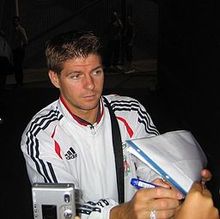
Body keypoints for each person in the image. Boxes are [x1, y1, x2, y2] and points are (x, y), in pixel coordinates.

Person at [20, 30, 211, 219]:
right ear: (55, 78)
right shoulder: (41, 134)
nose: (90, 85)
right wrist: (120, 213)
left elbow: (153, 163)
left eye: (96, 72)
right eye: (76, 76)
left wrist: (173, 184)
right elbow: (63, 209)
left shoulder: (130, 111)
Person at [11, 16, 28, 87]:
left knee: (18, 66)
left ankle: (20, 82)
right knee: (16, 66)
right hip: (15, 49)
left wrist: (22, 47)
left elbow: (25, 40)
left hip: (19, 50)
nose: (15, 22)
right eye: (14, 21)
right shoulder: (14, 30)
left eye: (16, 21)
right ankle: (18, 81)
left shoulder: (21, 29)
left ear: (18, 22)